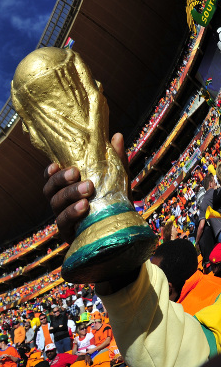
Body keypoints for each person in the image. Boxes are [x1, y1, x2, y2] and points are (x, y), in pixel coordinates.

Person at [43, 132, 219, 366]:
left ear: (167, 287)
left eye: (151, 274)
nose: (148, 280)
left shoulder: (200, 318)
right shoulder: (211, 301)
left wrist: (118, 255)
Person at [197, 173, 221, 267]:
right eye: (215, 182)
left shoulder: (203, 204)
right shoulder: (214, 192)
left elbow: (201, 226)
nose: (216, 184)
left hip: (218, 234)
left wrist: (197, 241)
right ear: (210, 184)